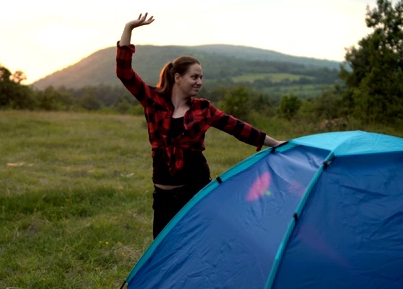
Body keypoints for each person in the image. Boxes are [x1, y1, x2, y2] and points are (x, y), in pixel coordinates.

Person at [116, 13, 284, 238]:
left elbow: (237, 127)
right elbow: (124, 73)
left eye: (201, 77)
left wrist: (276, 143)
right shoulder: (152, 100)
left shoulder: (203, 109)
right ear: (177, 78)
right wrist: (129, 28)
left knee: (199, 246)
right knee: (163, 248)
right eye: (194, 77)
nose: (199, 82)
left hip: (196, 190)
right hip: (164, 195)